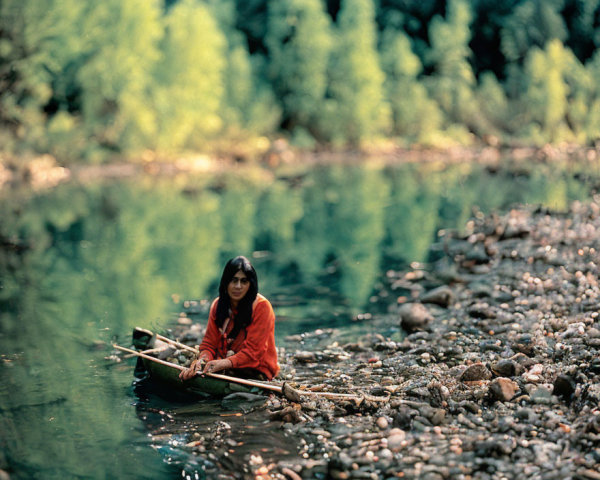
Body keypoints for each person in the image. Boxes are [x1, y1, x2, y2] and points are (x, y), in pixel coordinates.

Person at [179, 256, 279, 382]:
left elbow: (254, 353)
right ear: (225, 282)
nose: (238, 286)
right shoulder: (218, 305)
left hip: (257, 369)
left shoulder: (262, 307)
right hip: (226, 363)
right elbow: (209, 344)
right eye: (233, 280)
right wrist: (202, 361)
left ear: (250, 284)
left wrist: (225, 363)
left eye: (244, 281)